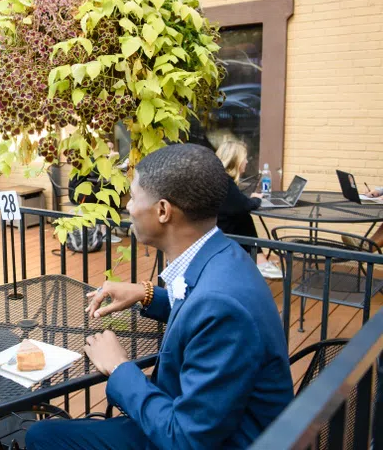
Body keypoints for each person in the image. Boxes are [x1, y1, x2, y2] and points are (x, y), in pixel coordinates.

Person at [25, 143, 294, 450]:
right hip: (201, 419)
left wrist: (119, 368)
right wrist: (146, 294)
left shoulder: (222, 306)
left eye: (135, 196)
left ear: (163, 211)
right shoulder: (223, 254)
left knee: (41, 438)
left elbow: (185, 439)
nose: (128, 206)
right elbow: (199, 310)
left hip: (212, 439)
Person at [215, 140, 263, 250]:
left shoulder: (219, 179)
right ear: (236, 160)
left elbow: (238, 203)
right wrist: (257, 199)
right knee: (244, 219)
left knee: (244, 219)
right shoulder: (226, 183)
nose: (246, 161)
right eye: (244, 158)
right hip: (226, 238)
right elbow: (245, 206)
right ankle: (260, 260)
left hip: (219, 232)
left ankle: (259, 258)